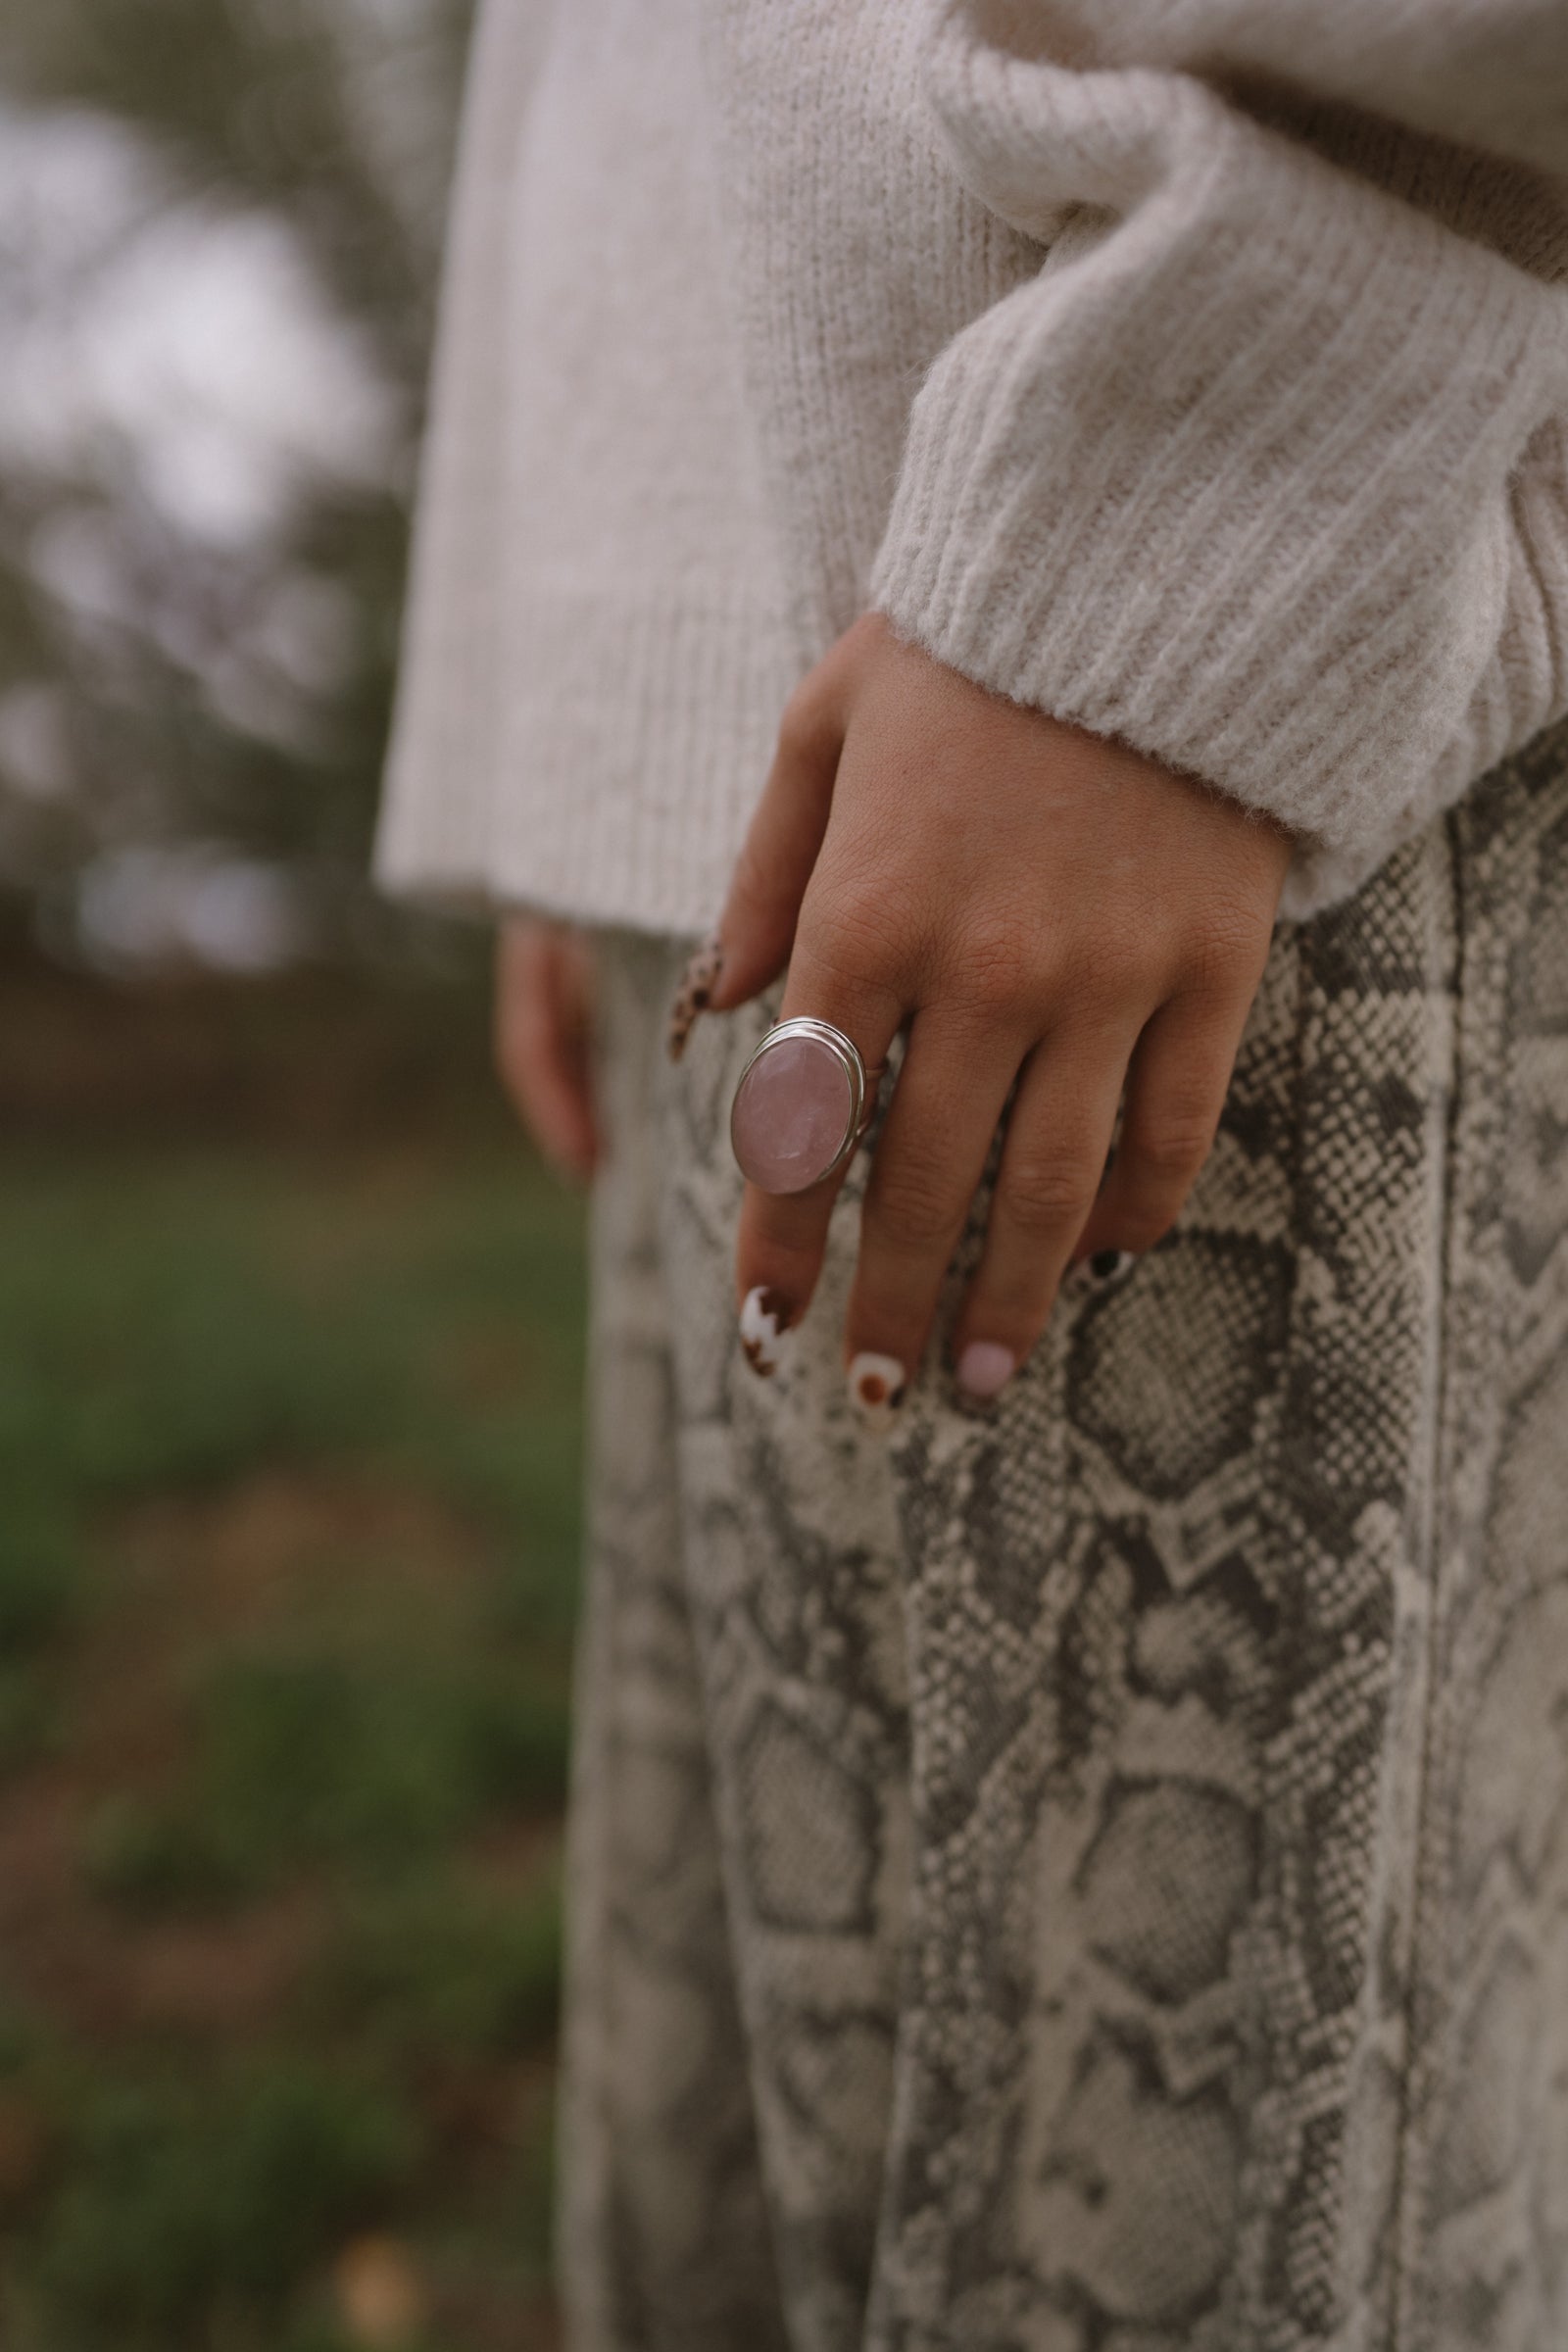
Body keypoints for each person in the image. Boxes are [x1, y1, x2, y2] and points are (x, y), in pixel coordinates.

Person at [376, 5, 1568, 2345]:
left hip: (1167, 721)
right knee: (753, 2229)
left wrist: (1205, 444)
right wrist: (561, 662)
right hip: (854, 707)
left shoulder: (1154, 585)